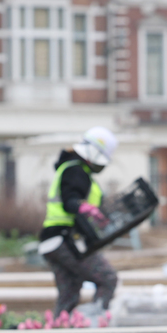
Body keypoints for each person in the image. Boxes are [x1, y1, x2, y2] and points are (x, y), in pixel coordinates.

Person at [39, 127, 119, 318]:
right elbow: (70, 201)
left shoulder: (70, 168)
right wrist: (86, 208)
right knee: (107, 278)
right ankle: (96, 324)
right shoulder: (76, 171)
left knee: (69, 294)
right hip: (65, 240)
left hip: (51, 241)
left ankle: (59, 331)